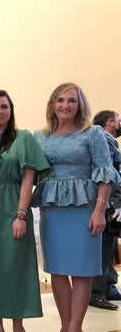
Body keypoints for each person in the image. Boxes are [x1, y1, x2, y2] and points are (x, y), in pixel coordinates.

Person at [31, 83, 120, 332]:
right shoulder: (40, 136)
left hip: (85, 209)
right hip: (52, 209)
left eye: (71, 100)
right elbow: (31, 172)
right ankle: (65, 326)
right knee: (57, 270)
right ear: (52, 105)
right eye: (60, 100)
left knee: (81, 269)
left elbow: (105, 174)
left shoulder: (93, 134)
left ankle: (75, 327)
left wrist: (99, 211)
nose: (65, 105)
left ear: (80, 104)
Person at [0, 90, 49, 332]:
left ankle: (18, 325)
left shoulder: (23, 137)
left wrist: (21, 215)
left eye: (4, 106)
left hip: (14, 207)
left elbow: (28, 178)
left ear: (11, 110)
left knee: (16, 267)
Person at [89, 110, 121, 310]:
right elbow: (110, 173)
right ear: (110, 122)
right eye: (119, 121)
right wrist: (116, 201)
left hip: (111, 200)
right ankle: (96, 291)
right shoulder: (104, 141)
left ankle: (109, 286)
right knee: (102, 247)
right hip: (108, 201)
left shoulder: (109, 141)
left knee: (109, 246)